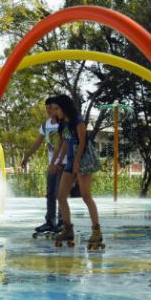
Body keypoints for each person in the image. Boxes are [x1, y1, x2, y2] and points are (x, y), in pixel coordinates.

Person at [48, 94, 105, 249]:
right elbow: (63, 143)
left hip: (82, 161)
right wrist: (57, 161)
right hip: (70, 162)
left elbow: (82, 143)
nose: (54, 111)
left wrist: (77, 163)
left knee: (86, 196)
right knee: (61, 196)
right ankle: (68, 229)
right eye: (53, 108)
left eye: (56, 108)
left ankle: (96, 231)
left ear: (64, 108)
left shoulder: (77, 121)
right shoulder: (63, 124)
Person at [21, 96, 65, 234]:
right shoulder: (45, 124)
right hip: (52, 164)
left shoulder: (63, 123)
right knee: (50, 193)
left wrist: (59, 162)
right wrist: (27, 156)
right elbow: (38, 142)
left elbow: (64, 143)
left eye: (51, 107)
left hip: (63, 163)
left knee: (60, 193)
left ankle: (62, 222)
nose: (49, 110)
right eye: (47, 108)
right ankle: (50, 222)